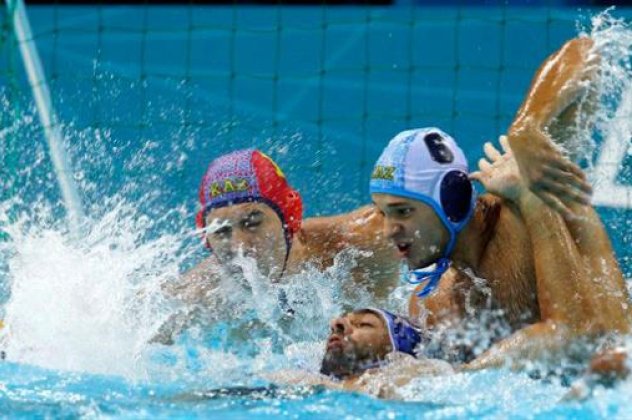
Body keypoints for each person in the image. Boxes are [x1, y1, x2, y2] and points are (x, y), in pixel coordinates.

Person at [369, 37, 631, 368]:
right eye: (383, 213)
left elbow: (585, 51)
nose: (389, 230)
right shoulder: (438, 305)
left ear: (450, 200)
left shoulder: (529, 196)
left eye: (403, 211)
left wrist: (525, 130)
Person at [153, 149, 400, 344]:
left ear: (290, 218)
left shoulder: (359, 242)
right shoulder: (199, 293)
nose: (239, 246)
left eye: (252, 223)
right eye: (222, 231)